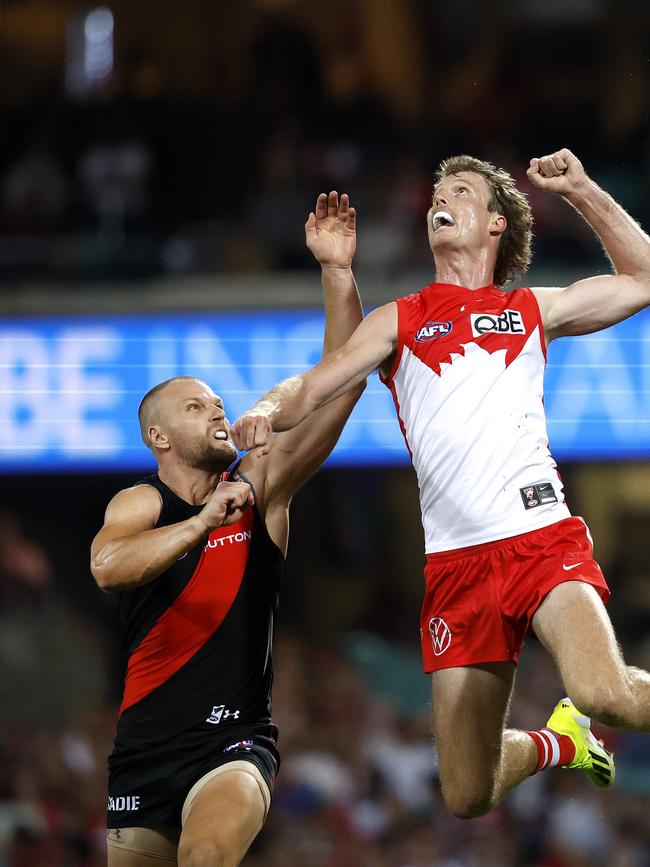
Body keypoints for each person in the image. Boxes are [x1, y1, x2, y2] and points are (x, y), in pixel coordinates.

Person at [232, 149, 650, 819]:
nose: (438, 199)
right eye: (435, 191)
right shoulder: (400, 319)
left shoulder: (529, 308)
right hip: (456, 567)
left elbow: (644, 276)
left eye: (459, 190)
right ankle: (561, 743)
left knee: (604, 691)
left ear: (494, 226)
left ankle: (587, 716)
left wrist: (580, 190)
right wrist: (264, 408)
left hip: (541, 537)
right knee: (465, 791)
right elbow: (313, 383)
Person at [91, 191, 363, 866]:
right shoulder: (139, 502)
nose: (215, 410)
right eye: (195, 405)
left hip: (233, 744)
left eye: (217, 401)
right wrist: (201, 524)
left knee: (206, 855)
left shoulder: (258, 484)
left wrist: (336, 272)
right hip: (140, 754)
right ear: (159, 434)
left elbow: (342, 386)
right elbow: (108, 567)